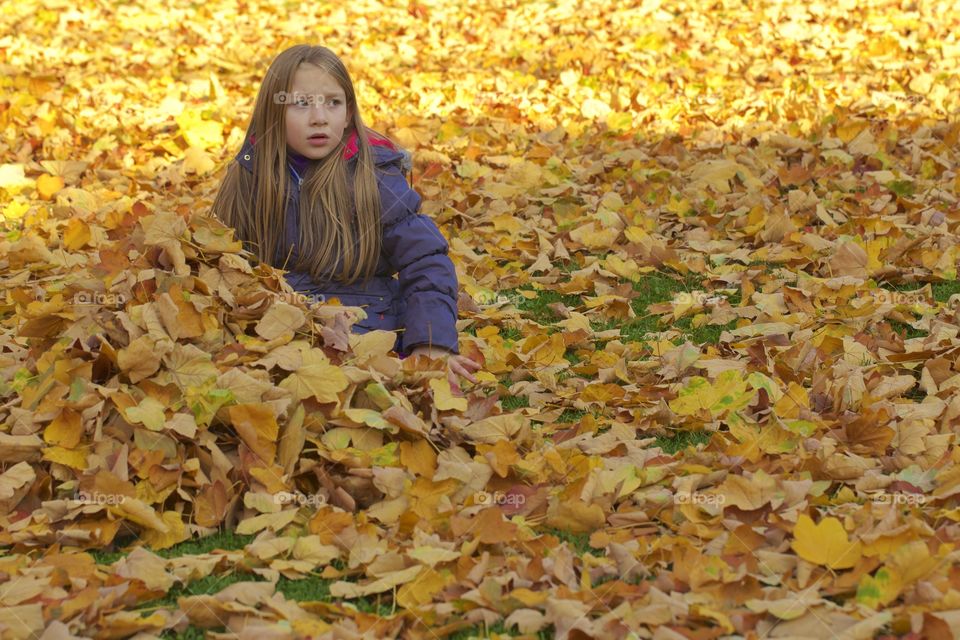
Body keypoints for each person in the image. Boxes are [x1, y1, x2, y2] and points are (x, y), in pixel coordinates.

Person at [210, 44, 479, 388]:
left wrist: (431, 344)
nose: (319, 117)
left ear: (349, 113)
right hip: (277, 329)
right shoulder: (250, 176)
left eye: (332, 103)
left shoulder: (374, 177)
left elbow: (425, 259)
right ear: (272, 113)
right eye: (301, 104)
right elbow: (223, 263)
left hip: (368, 326)